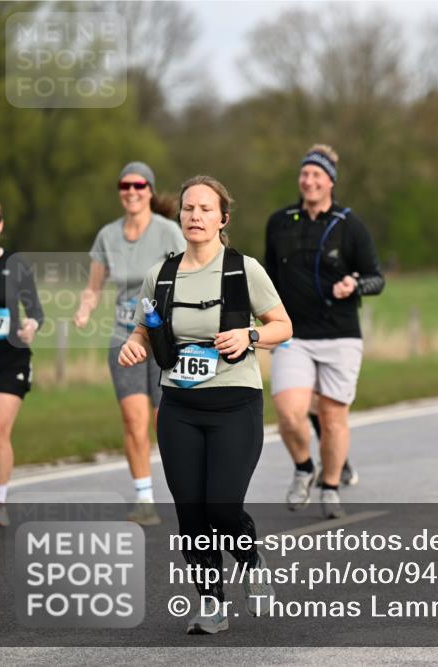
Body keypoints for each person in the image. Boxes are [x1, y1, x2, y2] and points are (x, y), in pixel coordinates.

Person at [120, 175, 292, 634]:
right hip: (178, 405)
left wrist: (250, 334)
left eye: (205, 209)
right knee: (191, 511)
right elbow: (144, 326)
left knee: (221, 505)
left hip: (236, 402)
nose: (195, 216)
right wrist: (134, 345)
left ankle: (252, 563)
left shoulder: (243, 269)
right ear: (180, 216)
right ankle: (211, 604)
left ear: (223, 219)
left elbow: (282, 326)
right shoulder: (163, 272)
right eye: (188, 209)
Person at [265, 145, 384, 519]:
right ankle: (304, 467)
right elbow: (267, 279)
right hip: (293, 334)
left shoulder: (350, 225)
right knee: (289, 414)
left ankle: (330, 487)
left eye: (317, 175)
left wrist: (354, 285)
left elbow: (376, 279)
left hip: (340, 335)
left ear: (330, 181)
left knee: (333, 419)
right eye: (304, 174)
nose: (309, 180)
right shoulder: (279, 222)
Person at [74, 162, 185, 525]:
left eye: (139, 185)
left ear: (150, 191)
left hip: (165, 341)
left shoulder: (170, 232)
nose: (132, 191)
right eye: (125, 185)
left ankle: (186, 493)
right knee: (133, 420)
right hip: (124, 339)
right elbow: (94, 288)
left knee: (164, 421)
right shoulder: (108, 236)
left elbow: (191, 275)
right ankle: (144, 500)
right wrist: (84, 310)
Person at [0, 196, 44, 527]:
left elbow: (36, 312)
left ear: (1, 223)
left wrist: (31, 325)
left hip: (9, 360)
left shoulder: (15, 264)